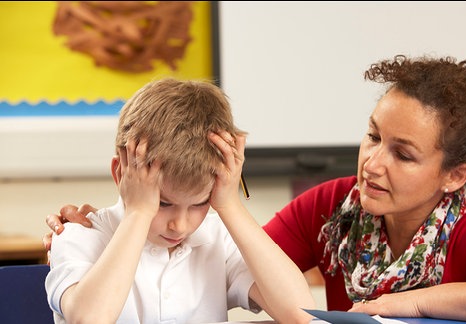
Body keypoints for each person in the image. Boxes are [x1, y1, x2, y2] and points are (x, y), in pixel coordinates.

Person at [45, 54, 466, 323]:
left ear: (454, 176)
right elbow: (278, 289)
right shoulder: (333, 206)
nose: (372, 162)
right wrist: (133, 216)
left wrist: (404, 304)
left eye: (403, 153)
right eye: (372, 136)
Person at [44, 77, 315, 324]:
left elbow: (301, 314)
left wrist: (229, 205)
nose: (179, 225)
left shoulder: (218, 240)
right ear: (121, 173)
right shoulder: (79, 236)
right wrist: (139, 213)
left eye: (200, 203)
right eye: (162, 203)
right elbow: (89, 320)